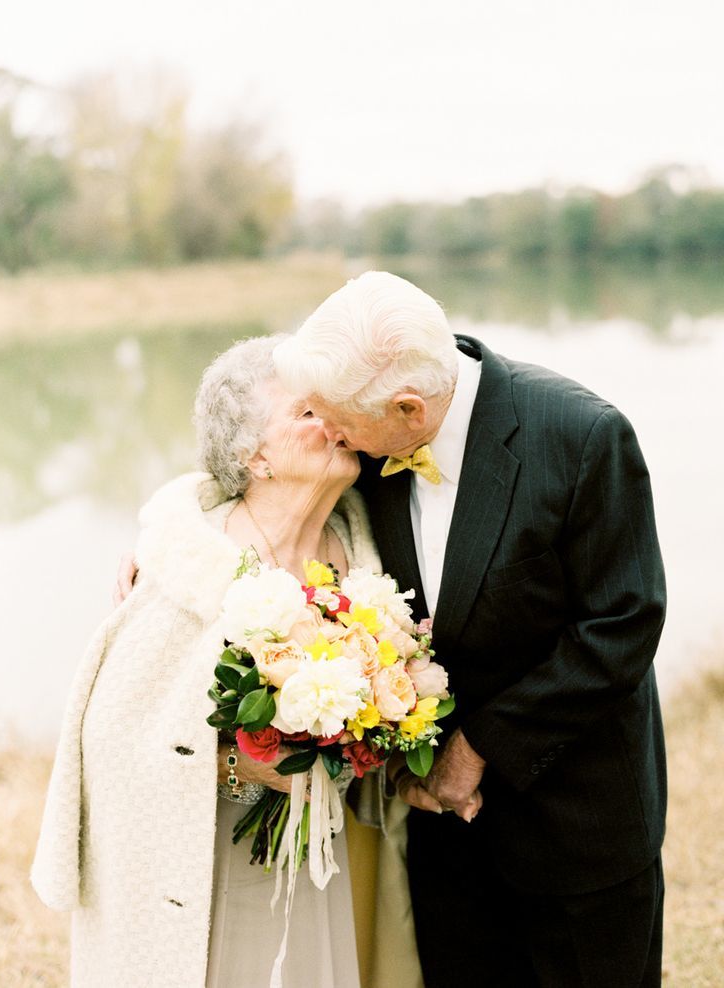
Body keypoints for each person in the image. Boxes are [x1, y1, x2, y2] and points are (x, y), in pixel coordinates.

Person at [271, 271, 667, 988]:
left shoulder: (582, 436)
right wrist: (168, 528)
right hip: (444, 845)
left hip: (579, 829)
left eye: (335, 421)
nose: (326, 435)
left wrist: (480, 747)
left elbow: (622, 625)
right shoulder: (364, 441)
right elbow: (252, 466)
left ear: (408, 408)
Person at [31, 334, 423, 988]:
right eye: (306, 413)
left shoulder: (369, 559)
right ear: (253, 456)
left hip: (323, 859)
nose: (332, 422)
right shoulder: (188, 564)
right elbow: (111, 738)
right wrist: (237, 765)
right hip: (210, 862)